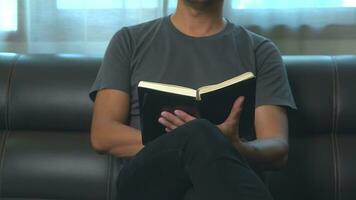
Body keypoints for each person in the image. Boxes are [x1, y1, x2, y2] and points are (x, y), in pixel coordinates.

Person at [88, 0, 297, 199]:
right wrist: (196, 141)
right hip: (147, 184)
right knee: (200, 133)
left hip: (223, 184)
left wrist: (237, 148)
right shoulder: (129, 40)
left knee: (203, 171)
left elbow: (277, 147)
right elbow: (103, 134)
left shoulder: (260, 51)